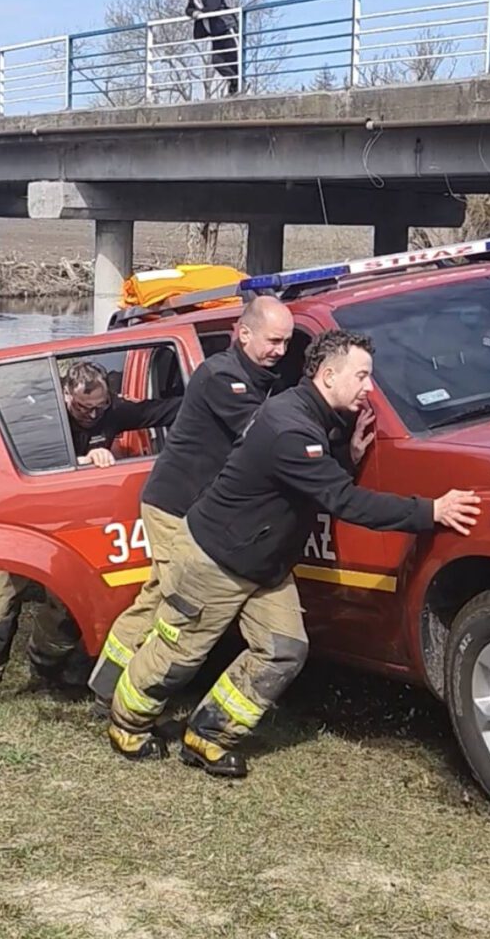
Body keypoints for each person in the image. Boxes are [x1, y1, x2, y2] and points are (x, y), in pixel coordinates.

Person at [108, 329, 482, 774]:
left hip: (265, 564)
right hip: (215, 560)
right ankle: (127, 724)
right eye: (361, 376)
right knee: (179, 652)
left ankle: (208, 734)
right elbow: (343, 501)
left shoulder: (311, 416)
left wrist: (348, 453)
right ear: (328, 375)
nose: (369, 387)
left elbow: (311, 480)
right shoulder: (290, 426)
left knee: (283, 649)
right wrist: (431, 510)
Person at [87, 296, 294, 712]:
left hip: (204, 511)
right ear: (244, 333)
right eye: (274, 341)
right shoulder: (222, 376)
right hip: (175, 505)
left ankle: (110, 685)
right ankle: (118, 692)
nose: (281, 351)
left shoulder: (264, 378)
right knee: (172, 598)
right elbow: (264, 433)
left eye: (287, 343)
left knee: (157, 595)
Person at [0, 360, 183, 708]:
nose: (92, 415)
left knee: (65, 609)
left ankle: (46, 669)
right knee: (0, 604)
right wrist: (82, 460)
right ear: (66, 395)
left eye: (100, 407)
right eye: (84, 408)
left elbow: (161, 411)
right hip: (28, 518)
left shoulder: (112, 411)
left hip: (75, 523)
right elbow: (12, 459)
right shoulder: (39, 418)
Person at [185, 0, 240, 96]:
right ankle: (234, 82)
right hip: (215, 32)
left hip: (225, 27)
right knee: (217, 61)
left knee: (234, 58)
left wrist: (200, 13)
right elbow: (188, 9)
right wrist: (194, 12)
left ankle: (237, 85)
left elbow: (213, 6)